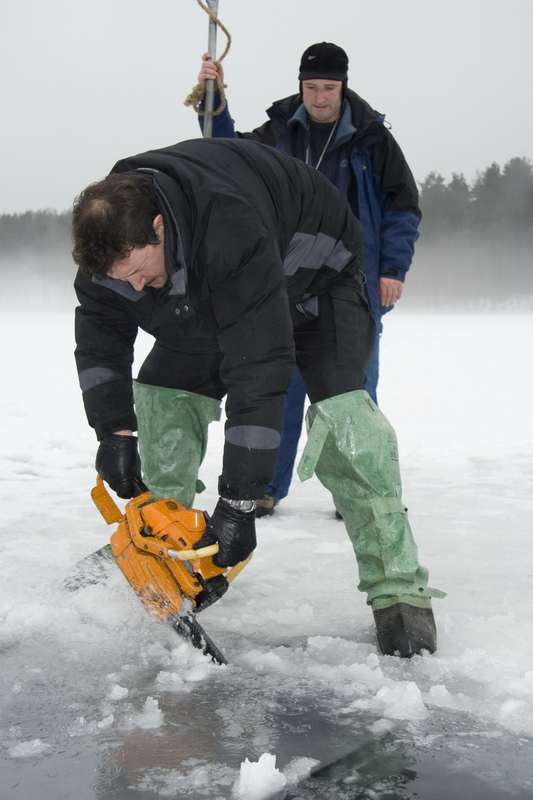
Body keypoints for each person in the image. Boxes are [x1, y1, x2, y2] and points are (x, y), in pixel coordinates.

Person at [72, 137, 442, 657]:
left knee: (346, 422)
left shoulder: (227, 230)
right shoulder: (113, 248)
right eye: (122, 279)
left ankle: (398, 588)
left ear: (158, 226)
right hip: (213, 284)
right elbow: (98, 344)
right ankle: (161, 547)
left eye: (138, 271)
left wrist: (240, 501)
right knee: (164, 395)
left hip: (316, 280)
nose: (135, 286)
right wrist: (113, 430)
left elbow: (259, 369)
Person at [196, 42, 421, 517]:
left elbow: (402, 208)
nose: (320, 98)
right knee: (281, 380)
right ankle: (265, 487)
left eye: (329, 88)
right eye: (312, 87)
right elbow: (227, 155)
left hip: (353, 278)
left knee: (352, 391)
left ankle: (360, 490)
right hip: (289, 277)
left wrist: (392, 270)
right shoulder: (280, 131)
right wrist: (212, 99)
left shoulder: (373, 140)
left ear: (343, 86)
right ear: (301, 86)